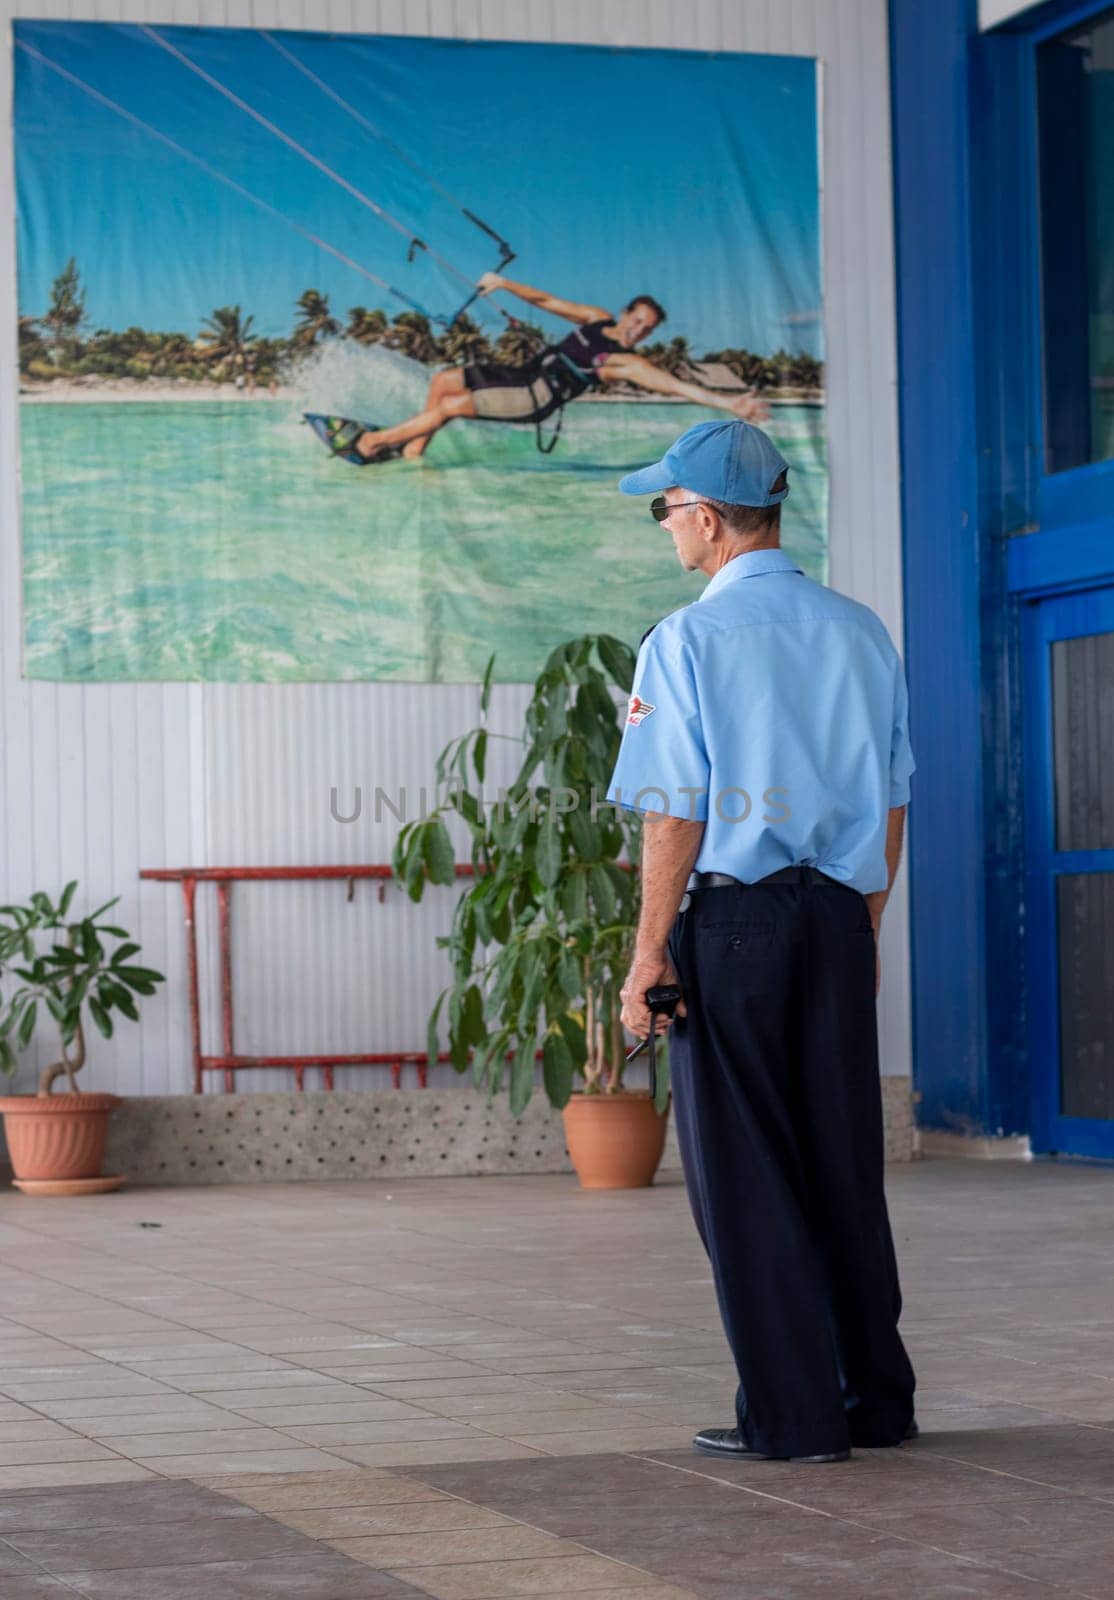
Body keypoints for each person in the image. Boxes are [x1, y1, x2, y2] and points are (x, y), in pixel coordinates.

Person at [607, 418, 917, 1465]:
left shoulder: (685, 640)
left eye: (667, 510)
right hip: (835, 914)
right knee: (843, 1161)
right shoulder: (859, 630)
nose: (667, 529)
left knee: (746, 1171)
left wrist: (650, 953)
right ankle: (873, 1399)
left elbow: (672, 813)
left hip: (733, 921)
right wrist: (856, 923)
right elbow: (894, 798)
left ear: (706, 518)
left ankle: (792, 1418)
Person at [327, 274, 767, 463]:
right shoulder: (596, 318)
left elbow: (672, 385)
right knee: (443, 379)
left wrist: (727, 402)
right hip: (522, 373)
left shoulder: (624, 362)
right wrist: (503, 284)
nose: (638, 331)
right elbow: (546, 301)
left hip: (534, 397)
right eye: (636, 320)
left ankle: (372, 443)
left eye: (646, 329)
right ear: (624, 312)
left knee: (450, 407)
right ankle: (413, 452)